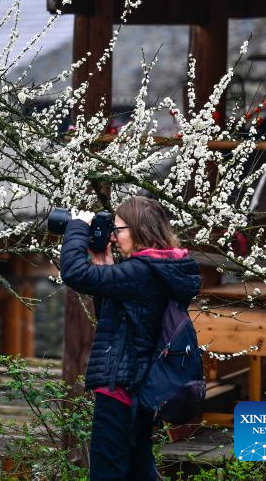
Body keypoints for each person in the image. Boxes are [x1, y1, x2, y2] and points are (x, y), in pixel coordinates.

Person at [59, 196, 201, 481]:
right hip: (140, 386)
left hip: (121, 389)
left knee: (106, 471)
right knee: (138, 469)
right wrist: (105, 268)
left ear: (139, 230)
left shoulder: (140, 271)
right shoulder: (158, 269)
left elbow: (74, 272)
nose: (113, 235)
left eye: (118, 229)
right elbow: (122, 322)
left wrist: (76, 226)